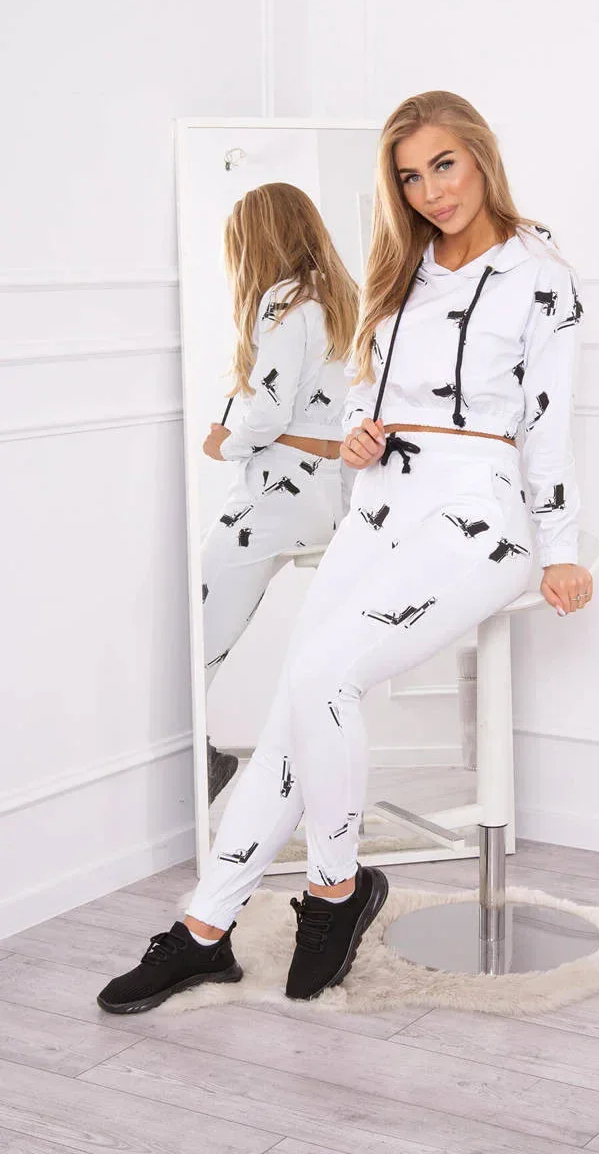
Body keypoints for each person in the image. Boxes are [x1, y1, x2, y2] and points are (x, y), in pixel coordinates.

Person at [96, 90, 593, 1015]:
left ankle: (335, 889)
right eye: (410, 177)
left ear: (480, 155)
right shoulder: (400, 273)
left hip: (476, 510)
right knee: (298, 702)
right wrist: (360, 434)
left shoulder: (540, 273)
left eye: (444, 165)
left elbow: (549, 422)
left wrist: (560, 547)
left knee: (322, 676)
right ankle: (204, 931)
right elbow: (366, 393)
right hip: (377, 505)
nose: (431, 191)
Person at [199, 184, 358, 804]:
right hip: (328, 495)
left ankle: (188, 758)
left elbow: (266, 414)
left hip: (274, 495)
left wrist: (225, 445)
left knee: (198, 624)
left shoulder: (284, 301)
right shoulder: (340, 297)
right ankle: (207, 757)